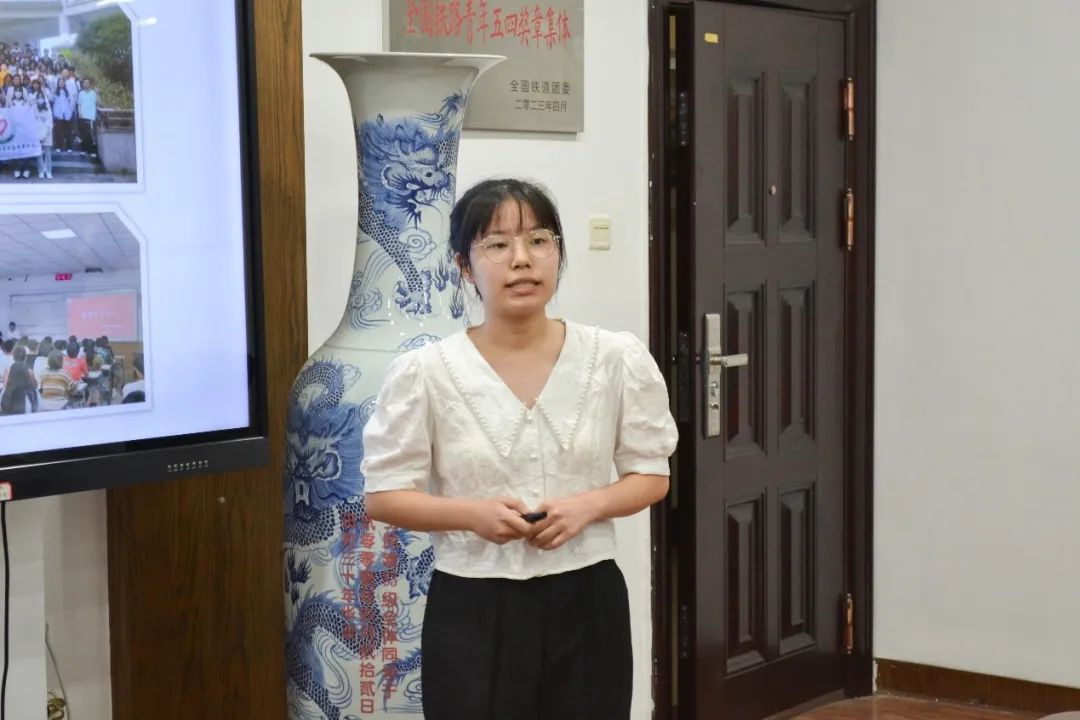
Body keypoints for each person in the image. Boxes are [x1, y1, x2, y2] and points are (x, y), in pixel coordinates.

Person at [361, 179, 678, 720]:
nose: (522, 260)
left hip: (587, 600)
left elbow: (651, 473)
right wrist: (472, 516)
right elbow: (384, 495)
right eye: (497, 244)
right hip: (473, 606)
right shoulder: (426, 372)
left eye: (538, 240)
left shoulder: (614, 358)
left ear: (558, 253)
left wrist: (589, 505)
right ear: (464, 267)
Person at [0, 347, 38, 415]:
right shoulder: (29, 371)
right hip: (26, 399)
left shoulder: (8, 369)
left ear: (13, 356)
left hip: (9, 396)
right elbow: (34, 385)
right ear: (25, 357)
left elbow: (5, 384)